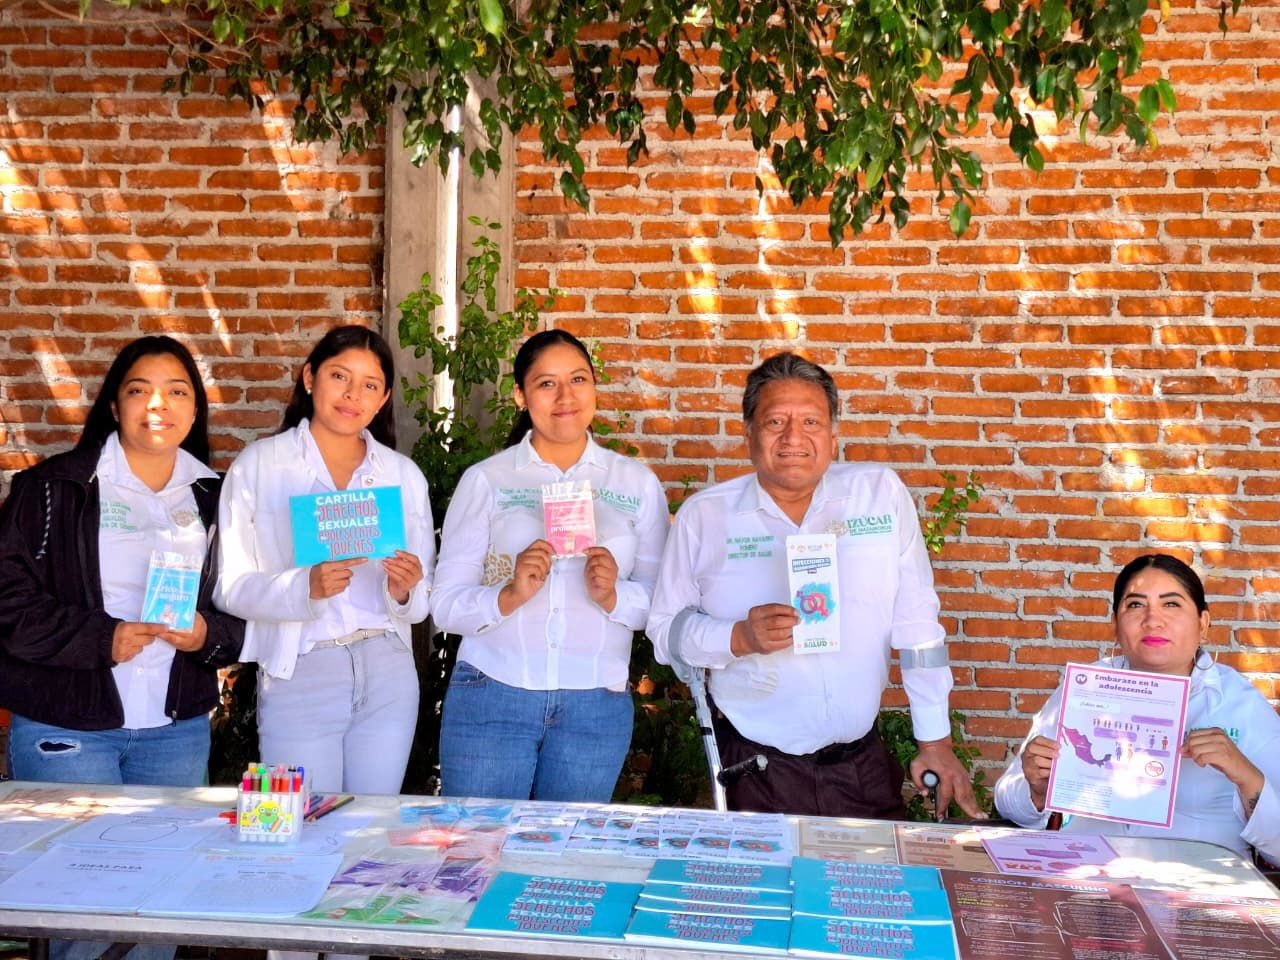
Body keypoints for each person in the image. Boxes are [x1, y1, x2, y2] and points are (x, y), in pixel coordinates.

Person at [646, 351, 981, 819]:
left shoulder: (879, 497)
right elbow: (665, 631)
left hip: (861, 764)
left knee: (872, 888)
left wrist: (935, 741)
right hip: (755, 769)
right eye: (775, 421)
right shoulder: (706, 517)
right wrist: (736, 638)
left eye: (811, 421)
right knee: (762, 893)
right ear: (747, 433)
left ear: (833, 433)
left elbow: (918, 627)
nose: (794, 438)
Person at [0, 335, 245, 960]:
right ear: (114, 404)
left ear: (195, 411)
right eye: (139, 390)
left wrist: (208, 637)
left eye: (177, 391)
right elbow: (7, 604)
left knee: (156, 903)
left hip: (176, 729)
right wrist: (100, 638)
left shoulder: (217, 497)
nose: (156, 405)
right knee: (83, 905)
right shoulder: (52, 490)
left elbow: (248, 610)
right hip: (69, 726)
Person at [433, 329, 669, 802]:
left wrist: (612, 594)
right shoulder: (487, 480)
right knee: (477, 851)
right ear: (520, 395)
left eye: (578, 379)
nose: (565, 396)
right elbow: (444, 606)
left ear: (595, 388)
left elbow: (663, 606)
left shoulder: (635, 484)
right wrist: (508, 594)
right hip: (492, 691)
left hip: (594, 702)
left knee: (562, 857)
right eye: (546, 383)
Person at [215, 324, 433, 797]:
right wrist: (303, 587)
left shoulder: (402, 476)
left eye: (370, 385)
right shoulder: (260, 465)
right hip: (302, 666)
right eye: (340, 376)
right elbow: (229, 588)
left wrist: (405, 588)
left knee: (372, 820)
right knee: (301, 821)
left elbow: (421, 601)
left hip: (387, 669)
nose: (353, 394)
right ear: (309, 377)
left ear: (383, 398)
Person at [995, 553, 1280, 861]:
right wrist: (1036, 791)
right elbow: (1007, 801)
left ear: (1203, 623)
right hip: (1088, 875)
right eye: (1135, 604)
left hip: (1196, 890)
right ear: (1116, 624)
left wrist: (1245, 775)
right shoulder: (1087, 690)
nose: (1153, 620)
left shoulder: (1238, 704)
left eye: (1171, 604)